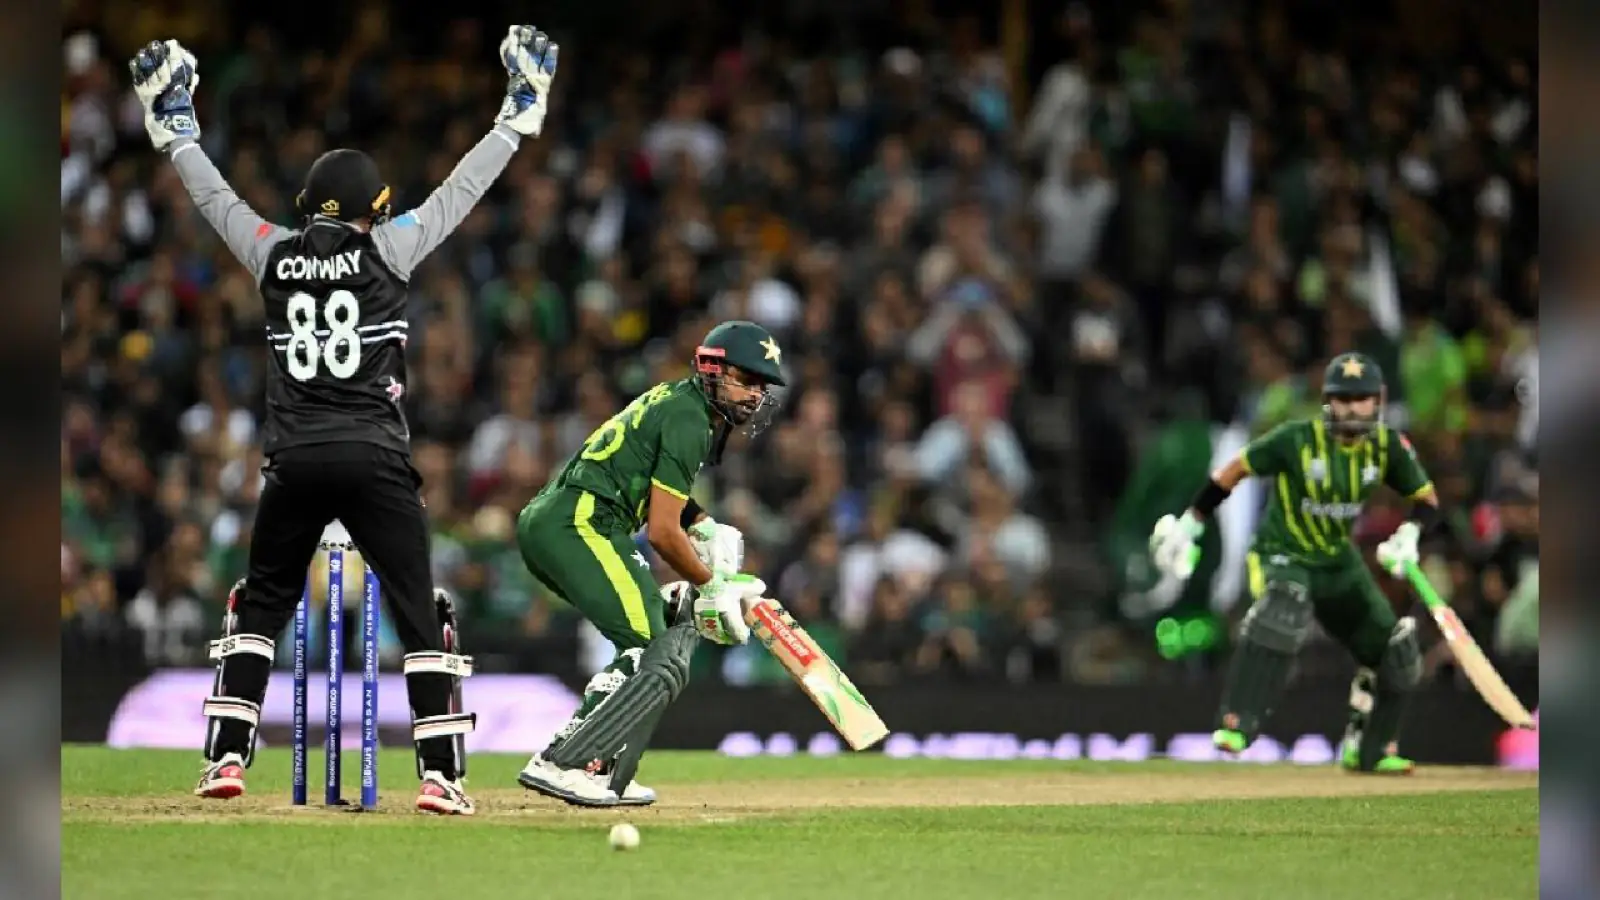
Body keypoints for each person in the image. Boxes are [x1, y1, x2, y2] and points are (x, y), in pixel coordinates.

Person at [128, 25, 561, 815]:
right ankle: (440, 776)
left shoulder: (272, 252)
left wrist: (177, 130)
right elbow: (460, 192)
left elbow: (214, 198)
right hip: (374, 457)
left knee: (261, 602)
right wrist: (514, 120)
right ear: (375, 209)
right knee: (416, 606)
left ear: (309, 209)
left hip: (294, 459)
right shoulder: (391, 249)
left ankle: (225, 759)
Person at [514, 321, 786, 806]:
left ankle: (608, 770)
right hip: (580, 524)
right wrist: (710, 584)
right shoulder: (689, 418)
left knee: (663, 640)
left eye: (760, 386)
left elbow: (654, 483)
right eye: (745, 379)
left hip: (572, 521)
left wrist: (703, 524)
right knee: (648, 648)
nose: (753, 395)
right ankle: (566, 762)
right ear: (712, 369)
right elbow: (661, 533)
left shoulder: (680, 402)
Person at [1148, 353, 1440, 773]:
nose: (1352, 409)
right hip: (1280, 553)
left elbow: (1427, 501)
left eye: (1361, 399)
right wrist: (1191, 522)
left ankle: (1370, 749)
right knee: (1285, 605)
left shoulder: (1387, 446)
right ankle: (1237, 722)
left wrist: (1410, 534)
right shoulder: (1296, 439)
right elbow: (1233, 471)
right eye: (1343, 399)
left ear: (1378, 401)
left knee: (1397, 651)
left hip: (1338, 563)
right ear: (1328, 402)